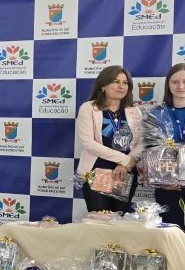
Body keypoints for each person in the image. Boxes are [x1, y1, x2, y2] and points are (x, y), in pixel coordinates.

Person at [75, 65, 144, 213]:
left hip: (125, 173)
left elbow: (142, 142)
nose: (121, 86)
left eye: (125, 83)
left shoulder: (134, 110)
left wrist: (126, 164)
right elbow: (88, 143)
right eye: (116, 82)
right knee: (99, 219)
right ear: (103, 86)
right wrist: (124, 160)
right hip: (96, 172)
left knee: (119, 219)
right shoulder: (88, 108)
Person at [142, 63, 185, 229]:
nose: (180, 86)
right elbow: (150, 149)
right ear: (168, 84)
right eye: (175, 82)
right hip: (168, 186)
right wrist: (163, 180)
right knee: (171, 232)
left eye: (184, 81)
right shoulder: (156, 113)